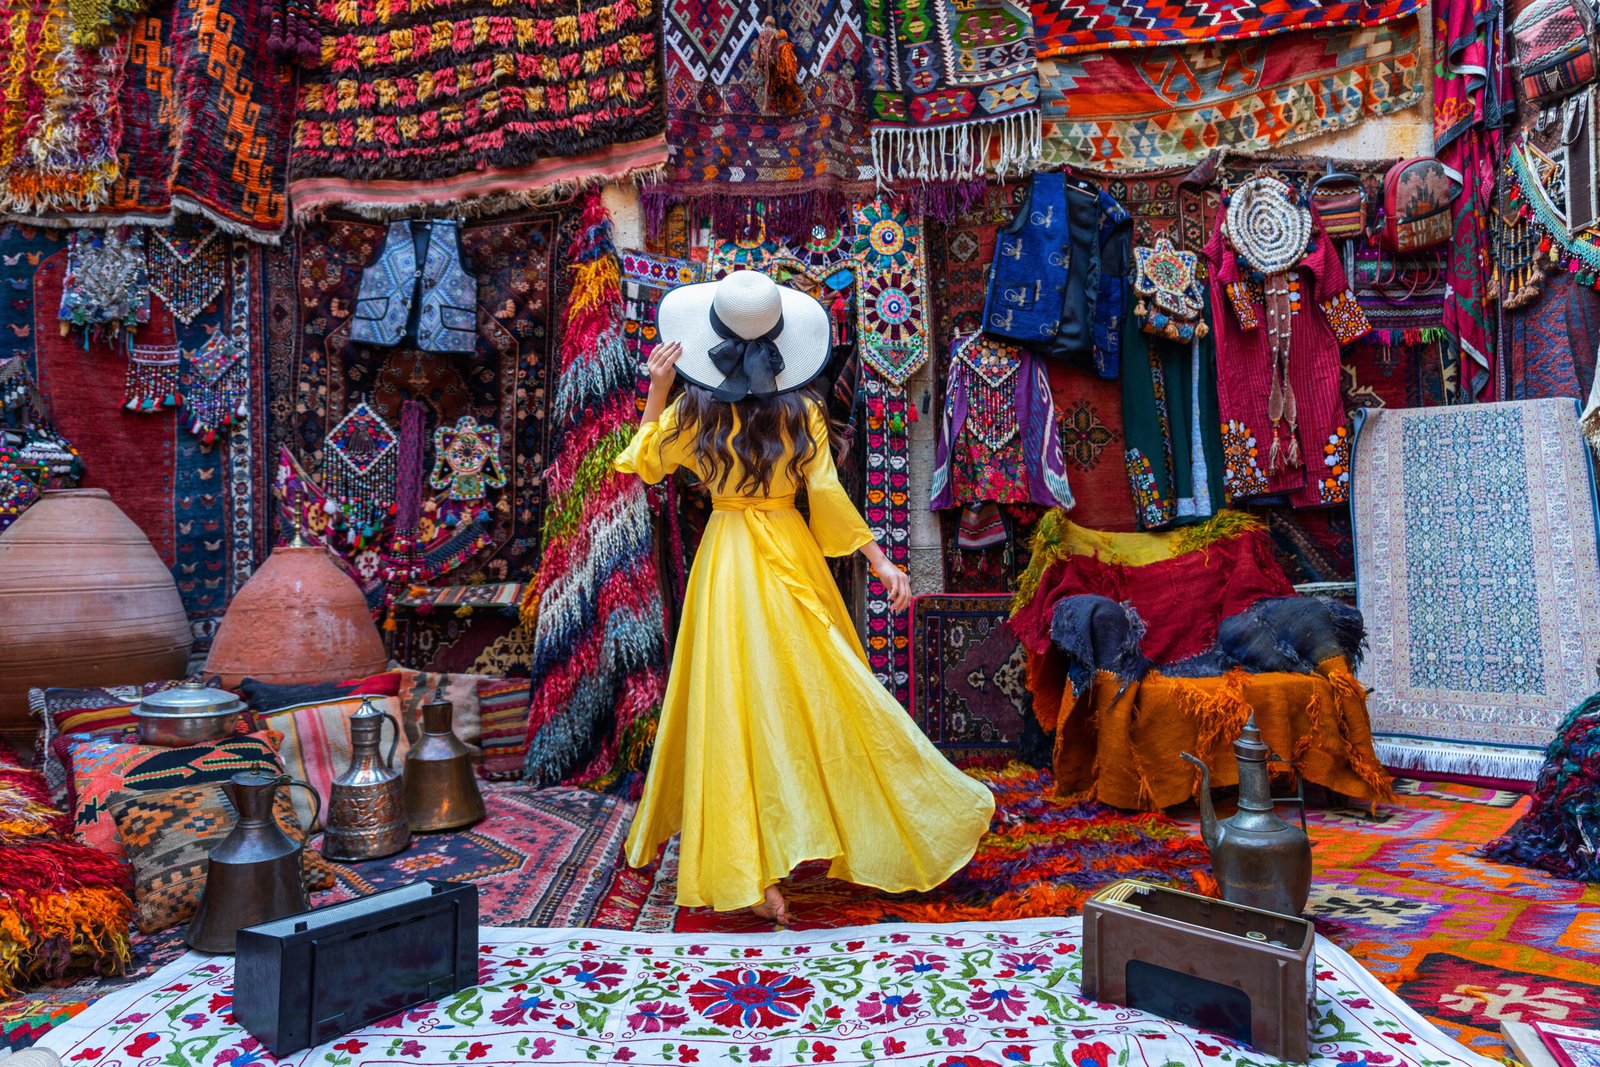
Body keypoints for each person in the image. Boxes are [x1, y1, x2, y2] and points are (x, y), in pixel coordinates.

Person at [615, 270, 996, 925]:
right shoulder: (805, 411)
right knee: (827, 688)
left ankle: (753, 866)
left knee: (735, 706)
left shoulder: (692, 410)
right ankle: (917, 813)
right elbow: (827, 494)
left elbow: (644, 461)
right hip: (788, 553)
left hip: (728, 559)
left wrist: (657, 389)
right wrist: (880, 562)